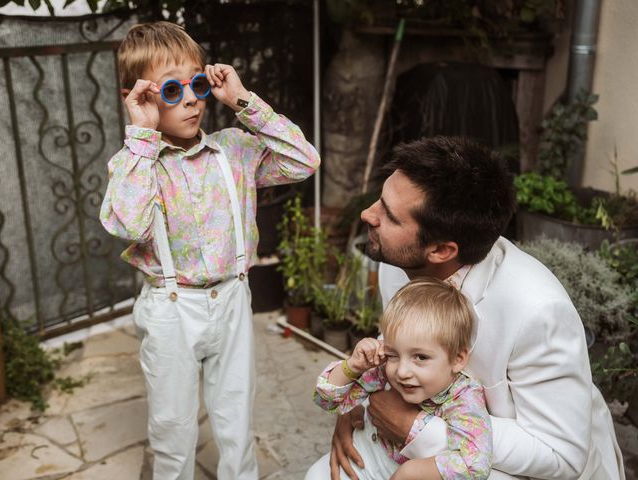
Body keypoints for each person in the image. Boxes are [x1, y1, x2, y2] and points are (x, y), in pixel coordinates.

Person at [325, 137, 624, 480]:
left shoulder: (539, 311)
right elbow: (396, 344)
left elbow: (560, 455)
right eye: (381, 199)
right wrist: (353, 408)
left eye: (389, 216)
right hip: (419, 431)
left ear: (440, 251)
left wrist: (416, 428)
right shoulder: (398, 260)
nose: (368, 214)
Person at [99, 21, 319, 480]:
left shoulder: (234, 149)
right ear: (138, 95)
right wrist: (140, 134)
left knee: (237, 422)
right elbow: (127, 223)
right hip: (170, 308)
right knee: (173, 431)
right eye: (173, 89)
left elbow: (304, 160)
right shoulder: (135, 163)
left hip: (233, 298)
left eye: (197, 83)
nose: (192, 98)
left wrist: (241, 100)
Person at [310, 278, 492, 480]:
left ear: (457, 359)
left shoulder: (464, 397)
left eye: (421, 357)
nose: (402, 371)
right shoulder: (382, 371)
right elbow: (326, 401)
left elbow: (475, 465)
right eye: (393, 354)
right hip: (366, 460)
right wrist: (351, 367)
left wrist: (410, 472)